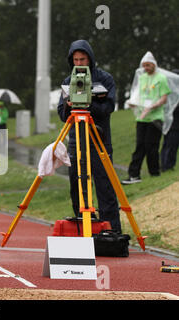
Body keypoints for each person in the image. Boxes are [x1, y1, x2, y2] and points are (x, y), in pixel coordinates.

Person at [57, 39, 122, 233]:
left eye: (82, 59)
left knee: (105, 187)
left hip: (99, 141)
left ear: (90, 58)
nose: (79, 63)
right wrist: (71, 106)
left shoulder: (105, 79)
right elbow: (62, 114)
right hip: (76, 142)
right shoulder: (68, 81)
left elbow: (109, 107)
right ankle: (84, 230)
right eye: (75, 60)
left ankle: (111, 232)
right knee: (78, 189)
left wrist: (88, 103)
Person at [122, 52, 172, 184]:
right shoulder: (142, 77)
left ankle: (154, 173)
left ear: (154, 64)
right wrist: (132, 102)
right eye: (144, 65)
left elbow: (164, 98)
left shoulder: (161, 78)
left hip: (155, 118)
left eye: (148, 65)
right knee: (139, 146)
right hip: (141, 118)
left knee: (151, 146)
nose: (146, 68)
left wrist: (152, 107)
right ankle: (134, 175)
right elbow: (137, 95)